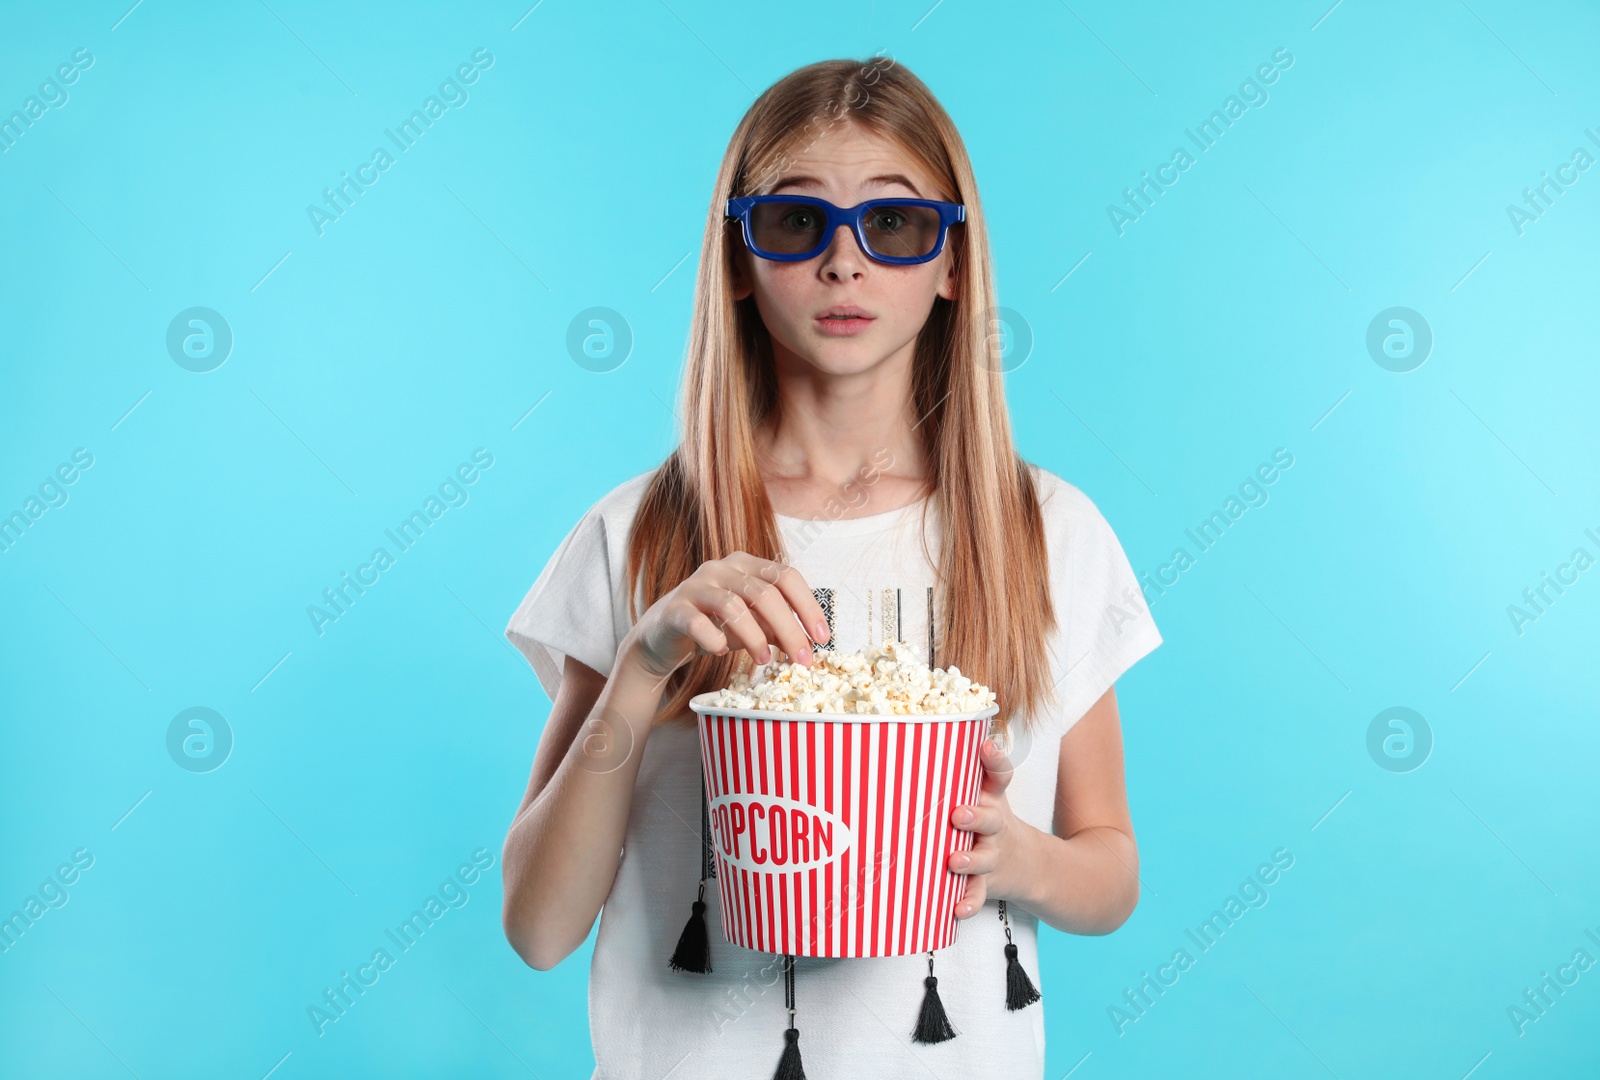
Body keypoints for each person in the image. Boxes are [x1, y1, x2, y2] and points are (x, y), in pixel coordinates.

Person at [500, 55, 1162, 1080]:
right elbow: (539, 927)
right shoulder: (638, 535)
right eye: (795, 222)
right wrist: (641, 668)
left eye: (893, 225)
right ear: (737, 260)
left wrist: (1021, 861)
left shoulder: (1047, 535)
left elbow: (1109, 872)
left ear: (951, 263)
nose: (843, 263)